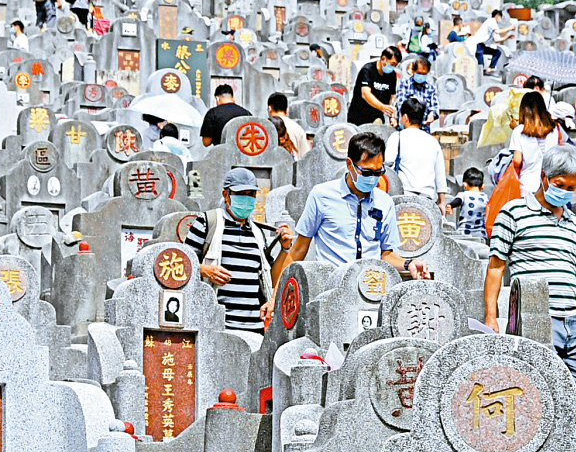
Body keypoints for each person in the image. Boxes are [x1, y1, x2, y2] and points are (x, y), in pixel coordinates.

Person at [484, 146, 576, 406]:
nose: (565, 192)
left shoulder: (572, 221)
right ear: (544, 177)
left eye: (571, 188)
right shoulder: (513, 213)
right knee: (541, 386)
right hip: (537, 317)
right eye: (560, 185)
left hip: (574, 319)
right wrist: (491, 315)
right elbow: (496, 267)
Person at [267, 132, 432, 323]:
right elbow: (297, 251)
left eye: (378, 173)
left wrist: (409, 263)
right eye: (367, 172)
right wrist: (275, 297)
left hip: (371, 294)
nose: (373, 179)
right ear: (349, 165)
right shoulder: (322, 196)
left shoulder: (384, 202)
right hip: (331, 294)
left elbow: (386, 255)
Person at [184, 168, 290, 333]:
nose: (247, 199)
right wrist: (205, 270)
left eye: (251, 194)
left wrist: (284, 249)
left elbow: (269, 278)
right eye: (241, 193)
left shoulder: (257, 232)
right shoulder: (207, 223)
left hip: (254, 327)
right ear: (226, 195)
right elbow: (182, 265)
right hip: (217, 326)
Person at [385, 97, 448, 213]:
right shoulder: (433, 141)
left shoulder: (397, 137)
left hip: (403, 196)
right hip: (427, 198)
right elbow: (440, 175)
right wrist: (442, 202)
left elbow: (388, 165)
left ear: (405, 117)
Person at [508, 92, 561, 195]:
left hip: (527, 183)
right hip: (550, 184)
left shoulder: (518, 131)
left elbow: (517, 161)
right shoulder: (554, 129)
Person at [347, 47, 400, 125]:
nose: (393, 67)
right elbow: (365, 94)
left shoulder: (392, 75)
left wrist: (391, 116)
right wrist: (382, 107)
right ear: (383, 58)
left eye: (395, 65)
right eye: (392, 64)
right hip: (359, 116)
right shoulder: (367, 70)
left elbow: (391, 98)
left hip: (376, 117)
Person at [393, 57, 439, 131]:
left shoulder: (431, 87)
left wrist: (432, 115)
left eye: (424, 74)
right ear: (413, 71)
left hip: (424, 128)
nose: (421, 76)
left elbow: (434, 107)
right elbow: (401, 105)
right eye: (419, 73)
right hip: (405, 128)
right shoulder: (404, 84)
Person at [453, 167, 488, 240]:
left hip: (464, 233)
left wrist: (450, 205)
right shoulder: (486, 198)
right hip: (481, 234)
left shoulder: (464, 194)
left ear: (464, 184)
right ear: (483, 186)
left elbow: (457, 200)